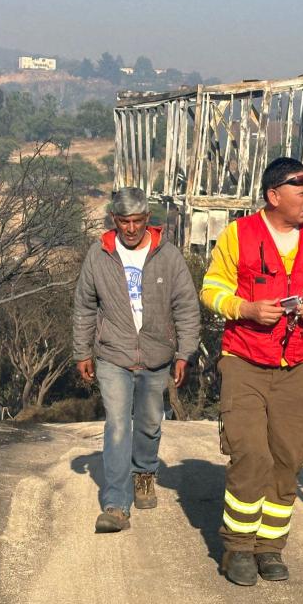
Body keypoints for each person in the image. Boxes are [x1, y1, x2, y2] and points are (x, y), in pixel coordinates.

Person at [200, 157, 303, 585]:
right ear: (274, 196)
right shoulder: (238, 236)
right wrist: (244, 308)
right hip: (245, 360)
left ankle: (270, 547)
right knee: (250, 453)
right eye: (301, 191)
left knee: (288, 457)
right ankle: (237, 548)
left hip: (300, 366)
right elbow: (211, 288)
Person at [73, 187, 200, 533]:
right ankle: (116, 504)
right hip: (113, 354)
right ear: (114, 220)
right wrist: (82, 351)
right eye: (124, 221)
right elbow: (85, 306)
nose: (131, 228)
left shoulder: (168, 256)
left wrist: (185, 353)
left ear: (148, 220)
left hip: (157, 355)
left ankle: (144, 472)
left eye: (137, 221)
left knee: (148, 424)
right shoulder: (99, 256)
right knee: (117, 425)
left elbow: (186, 307)